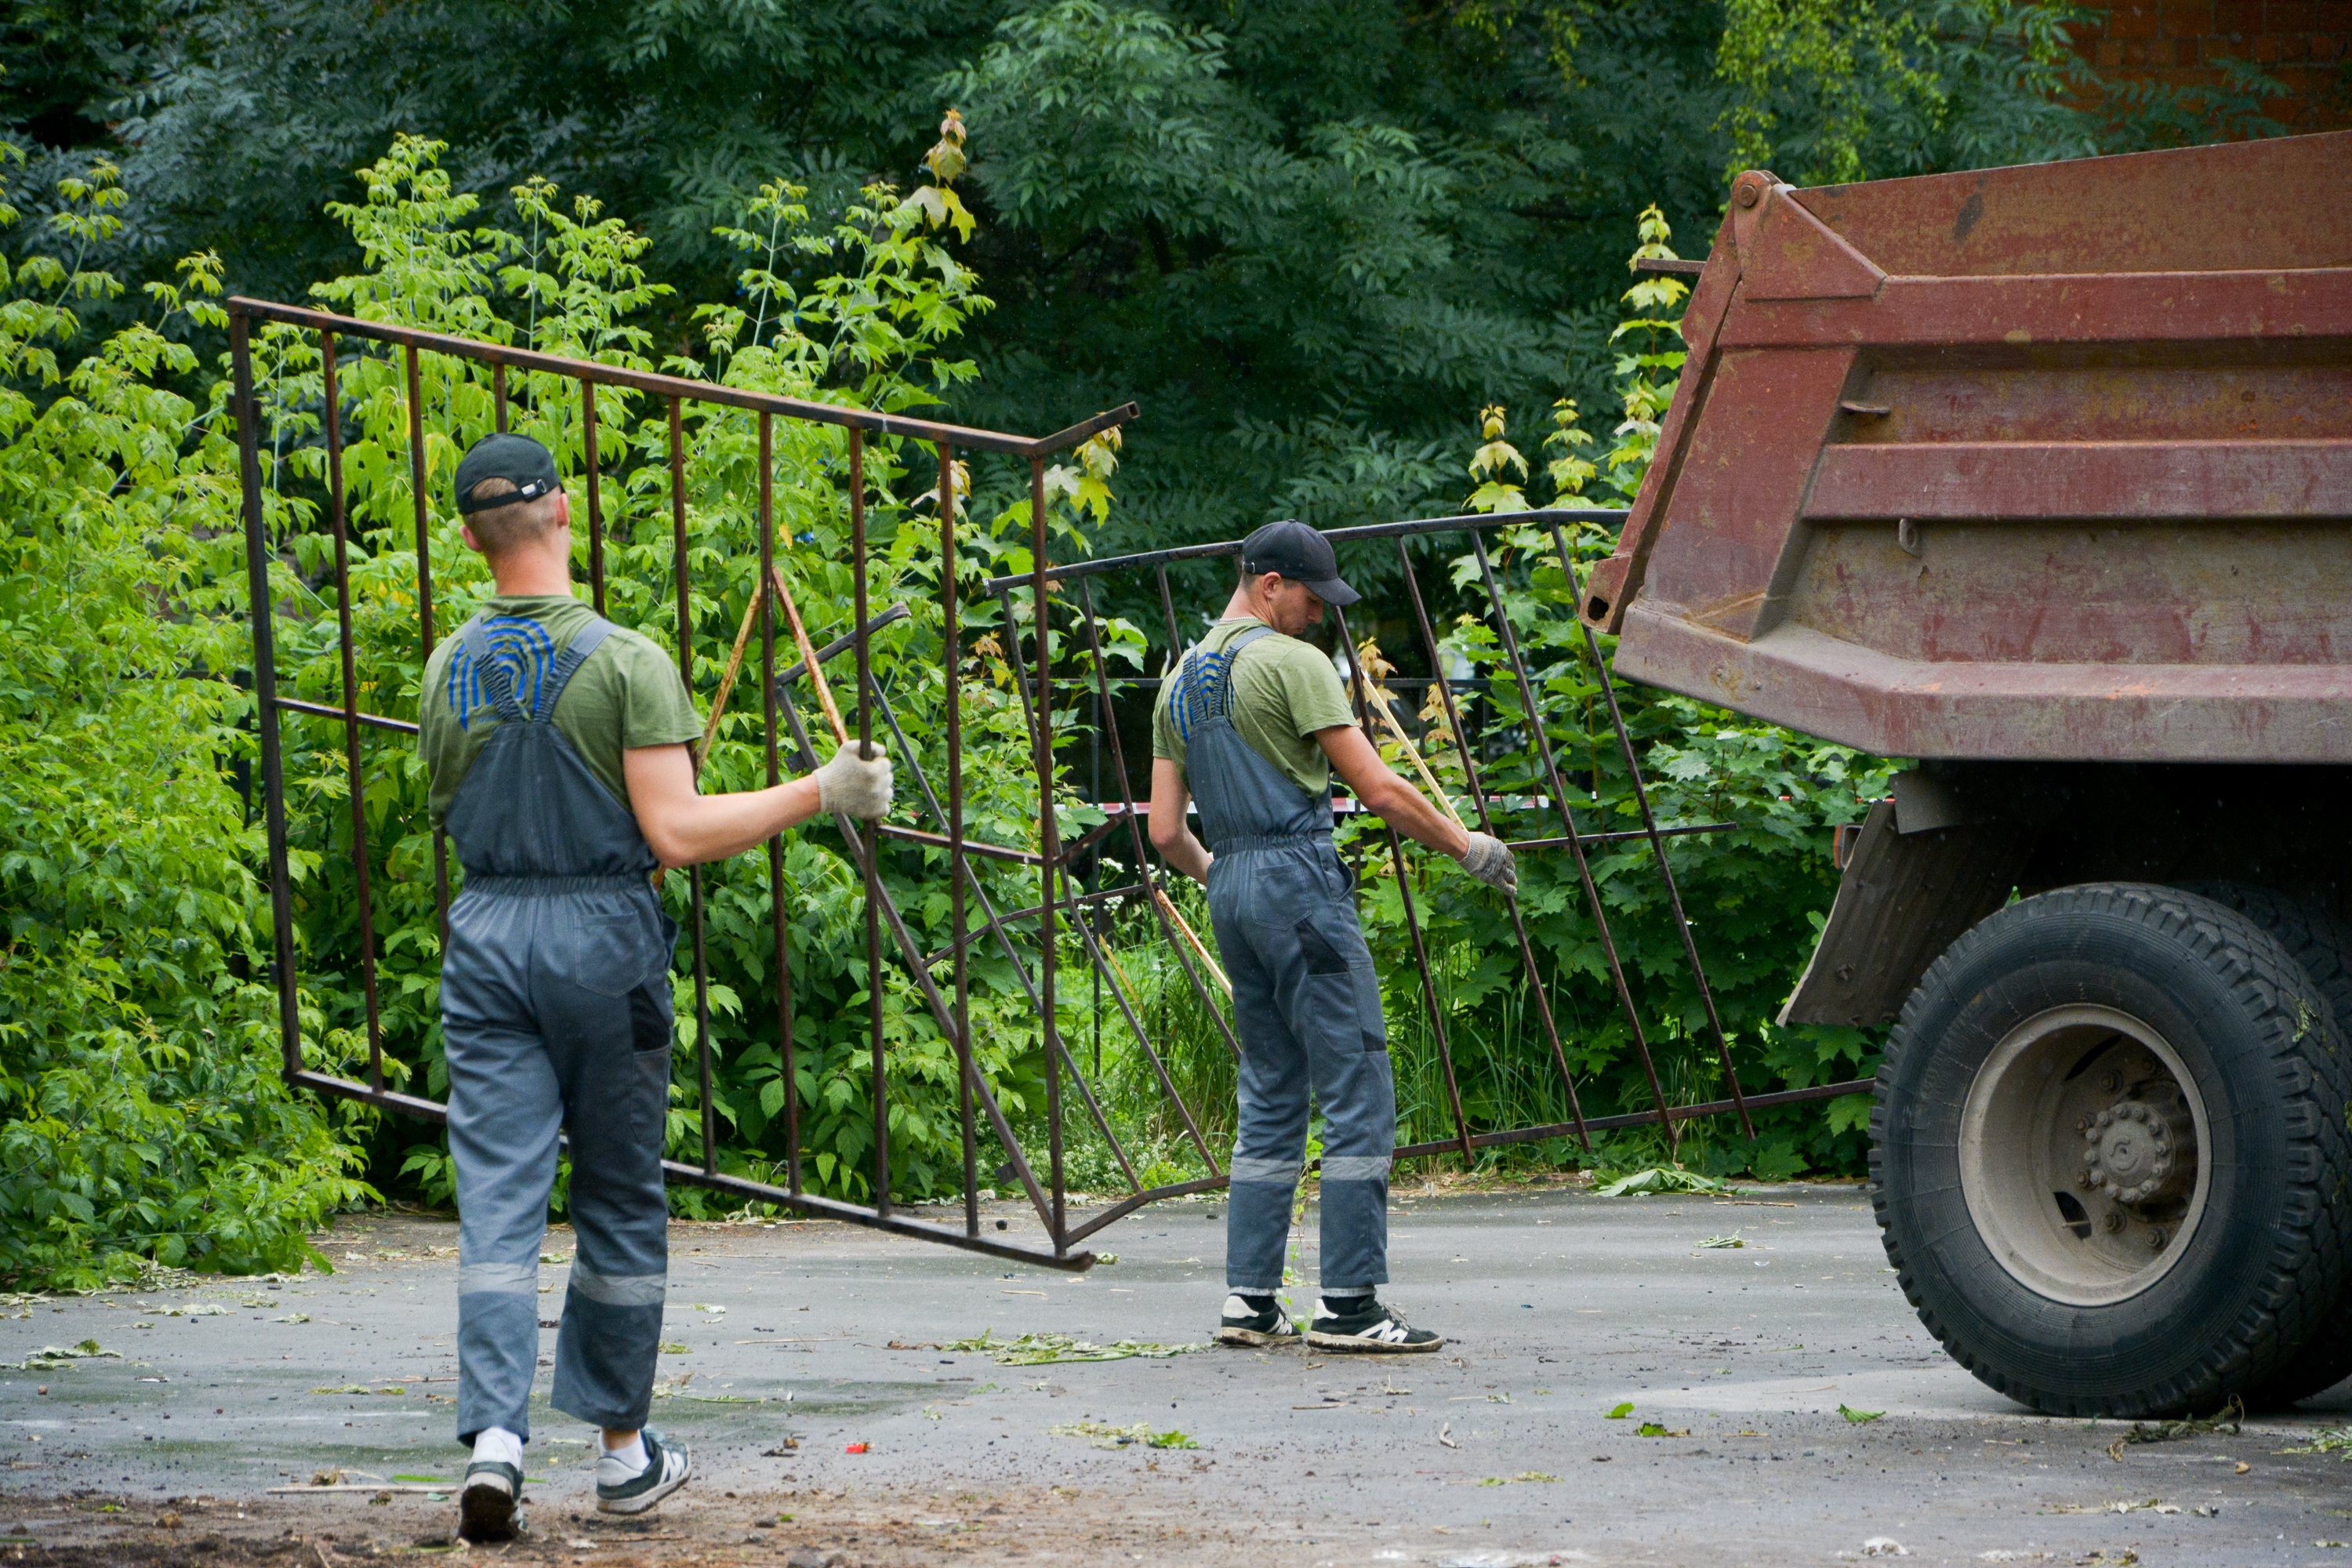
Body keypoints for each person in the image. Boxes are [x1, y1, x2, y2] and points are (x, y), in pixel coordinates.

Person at [417, 433, 892, 1539]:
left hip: (485, 931)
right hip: (600, 943)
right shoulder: (625, 660)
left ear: (469, 534)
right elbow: (675, 833)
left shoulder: (447, 667)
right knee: (620, 1196)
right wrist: (823, 790)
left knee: (496, 1202)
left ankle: (494, 1438)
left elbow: (448, 808)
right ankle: (625, 1459)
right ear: (565, 511)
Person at [1147, 519, 1517, 1354]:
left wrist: (1235, 885)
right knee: (1358, 1089)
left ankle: (1250, 1300)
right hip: (1300, 887)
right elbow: (1380, 788)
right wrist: (1468, 847)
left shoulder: (1179, 679)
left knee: (1271, 1094)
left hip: (1231, 883)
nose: (1318, 618)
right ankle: (1349, 1304)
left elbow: (1166, 832)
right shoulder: (1292, 663)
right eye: (1312, 600)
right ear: (1269, 584)